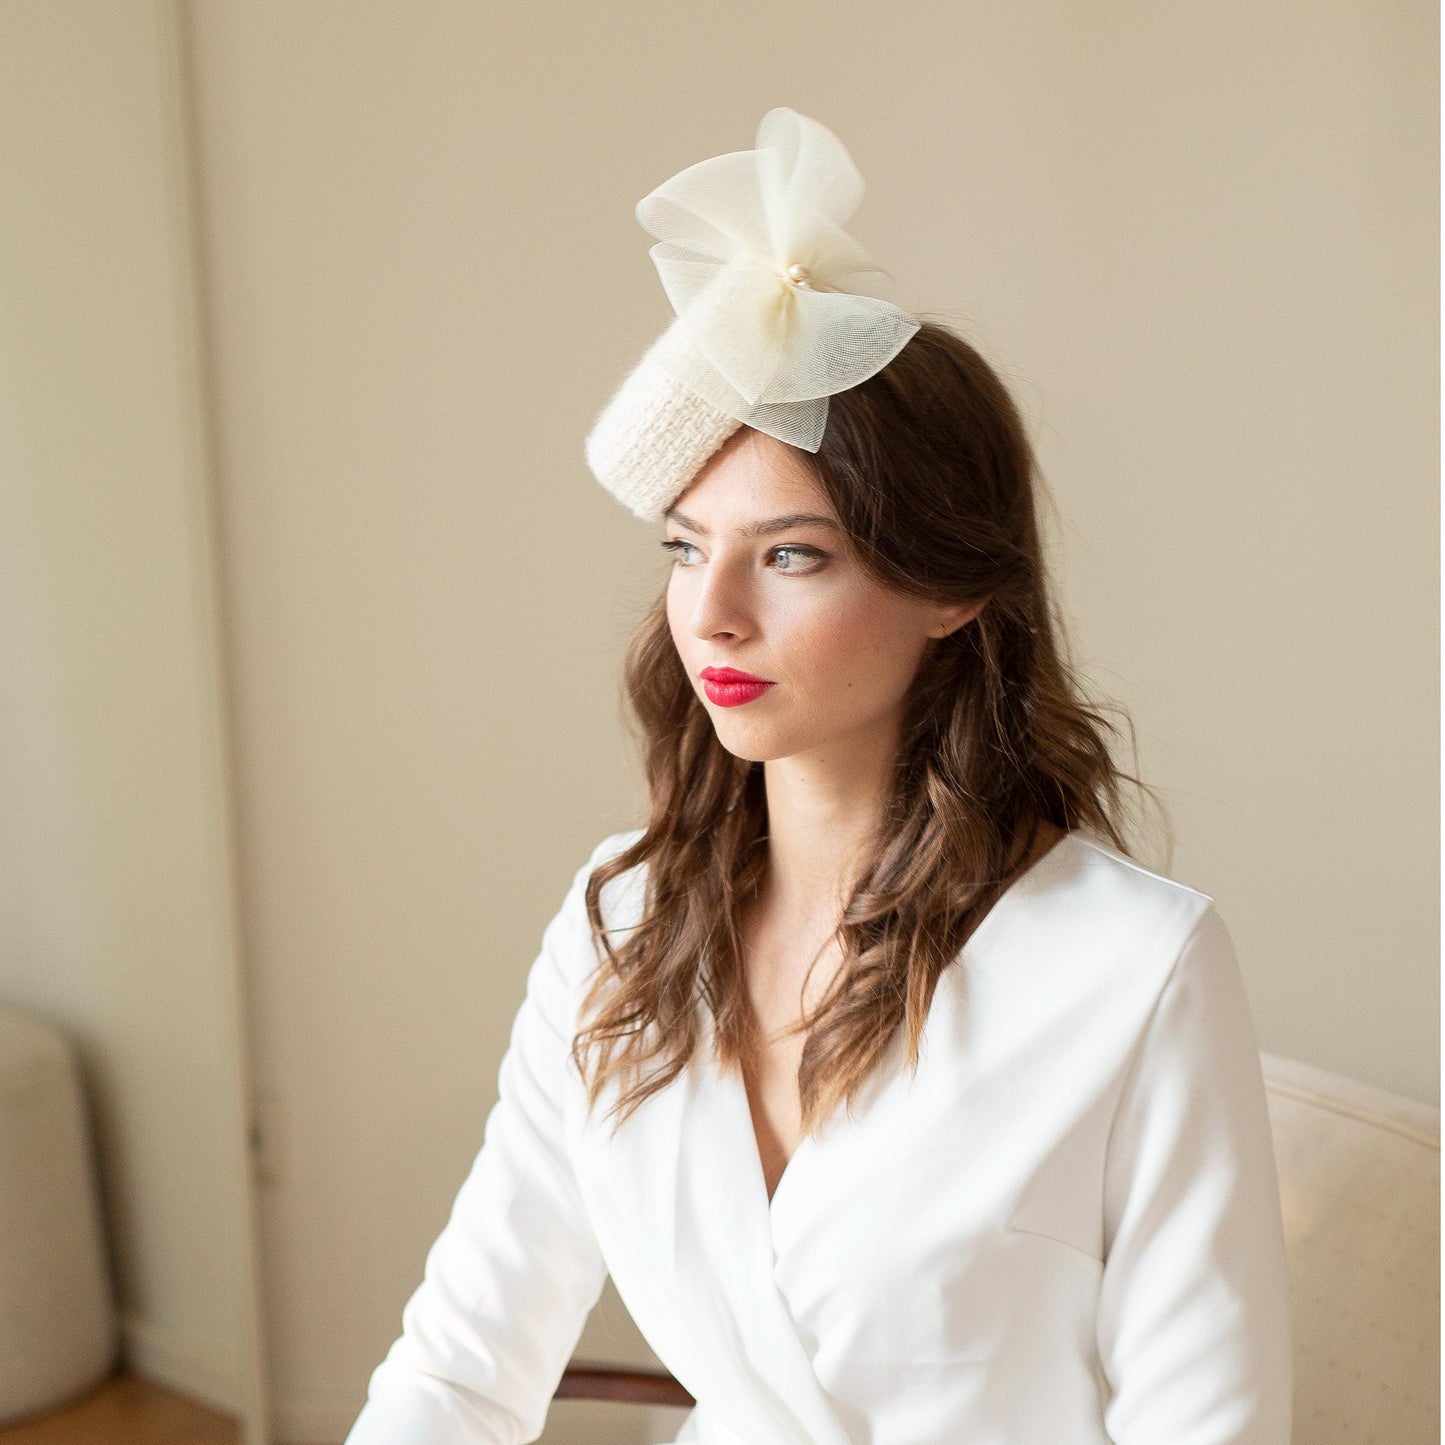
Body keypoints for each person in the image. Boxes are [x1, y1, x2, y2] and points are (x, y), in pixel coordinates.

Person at [343, 108, 1293, 1445]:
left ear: (954, 588)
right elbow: (461, 1363)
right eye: (687, 547)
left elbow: (1210, 1424)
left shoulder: (1130, 967)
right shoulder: (621, 925)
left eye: (791, 555)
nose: (712, 615)